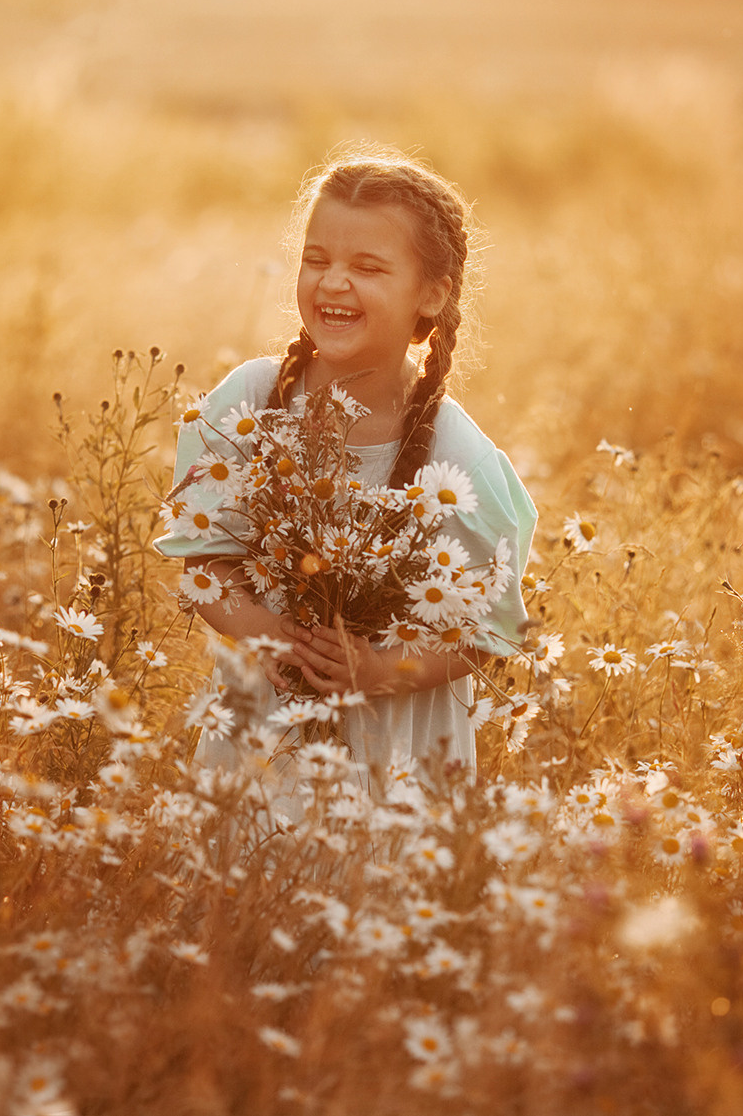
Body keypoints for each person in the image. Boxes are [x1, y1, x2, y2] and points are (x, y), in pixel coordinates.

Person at [157, 146, 538, 801]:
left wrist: (378, 668)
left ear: (431, 293)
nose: (333, 283)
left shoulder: (460, 460)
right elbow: (201, 563)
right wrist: (267, 633)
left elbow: (484, 634)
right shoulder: (247, 407)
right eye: (316, 260)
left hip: (393, 764)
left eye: (367, 267)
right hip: (259, 750)